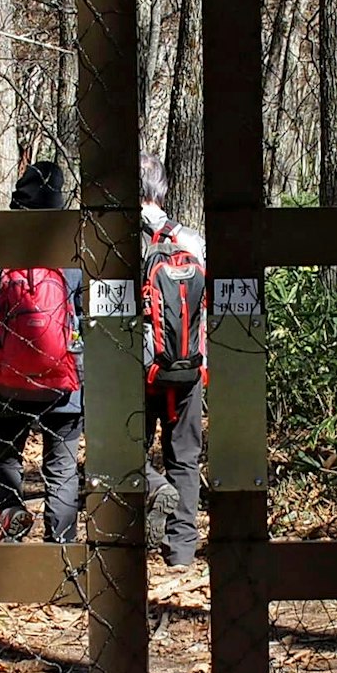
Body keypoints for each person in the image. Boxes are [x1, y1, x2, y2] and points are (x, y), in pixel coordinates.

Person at [0, 160, 84, 543]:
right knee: (61, 469)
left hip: (6, 383)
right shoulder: (74, 260)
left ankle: (11, 514)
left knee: (5, 457)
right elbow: (87, 327)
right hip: (64, 386)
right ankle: (62, 548)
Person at [138, 177, 207, 565]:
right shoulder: (192, 241)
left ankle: (152, 489)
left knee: (128, 451)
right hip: (190, 367)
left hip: (140, 368)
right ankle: (181, 551)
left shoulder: (121, 244)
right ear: (162, 192)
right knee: (185, 455)